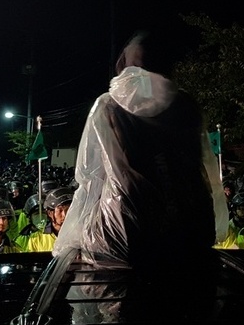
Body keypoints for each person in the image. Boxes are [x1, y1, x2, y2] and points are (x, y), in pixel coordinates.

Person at [52, 30, 228, 269]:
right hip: (192, 234)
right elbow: (207, 174)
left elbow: (90, 178)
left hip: (129, 237)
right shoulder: (187, 105)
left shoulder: (109, 106)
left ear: (123, 64)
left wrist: (73, 235)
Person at [26, 187, 73, 252]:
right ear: (49, 213)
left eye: (69, 210)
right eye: (60, 210)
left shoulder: (80, 235)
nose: (65, 215)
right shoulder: (36, 239)